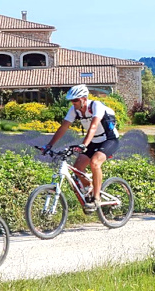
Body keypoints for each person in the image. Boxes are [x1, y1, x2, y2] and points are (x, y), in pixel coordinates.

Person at [41, 84, 120, 212]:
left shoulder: (96, 106)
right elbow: (63, 128)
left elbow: (93, 126)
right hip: (93, 141)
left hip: (108, 140)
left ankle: (96, 197)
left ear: (84, 98)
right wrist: (49, 145)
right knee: (77, 168)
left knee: (95, 163)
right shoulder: (74, 110)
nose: (73, 103)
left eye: (76, 100)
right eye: (71, 100)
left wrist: (83, 145)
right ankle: (89, 188)